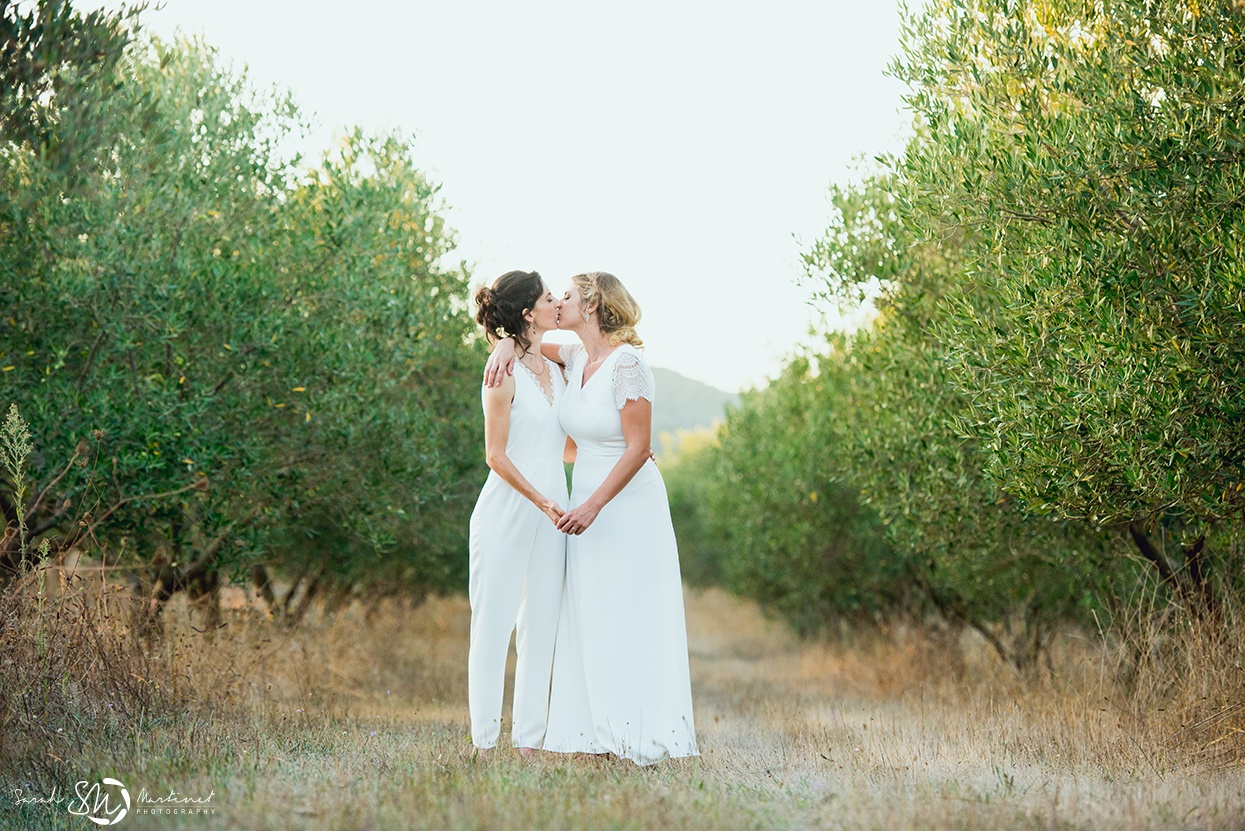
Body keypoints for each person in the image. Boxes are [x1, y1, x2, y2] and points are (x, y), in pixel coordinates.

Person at [485, 271, 699, 765]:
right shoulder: (578, 356)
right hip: (582, 500)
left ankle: (642, 729)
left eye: (567, 296)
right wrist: (501, 346)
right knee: (589, 610)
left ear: (595, 304)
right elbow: (529, 348)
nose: (556, 302)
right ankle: (595, 732)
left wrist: (595, 505)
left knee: (630, 609)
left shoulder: (628, 364)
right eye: (553, 296)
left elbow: (640, 447)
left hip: (625, 504)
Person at [467, 270, 568, 757]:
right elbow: (496, 455)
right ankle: (485, 745)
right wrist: (540, 498)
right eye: (550, 298)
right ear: (529, 313)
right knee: (494, 625)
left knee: (541, 624)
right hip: (510, 507)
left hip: (555, 513)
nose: (558, 303)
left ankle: (529, 744)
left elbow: (565, 445)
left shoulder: (558, 369)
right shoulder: (499, 373)